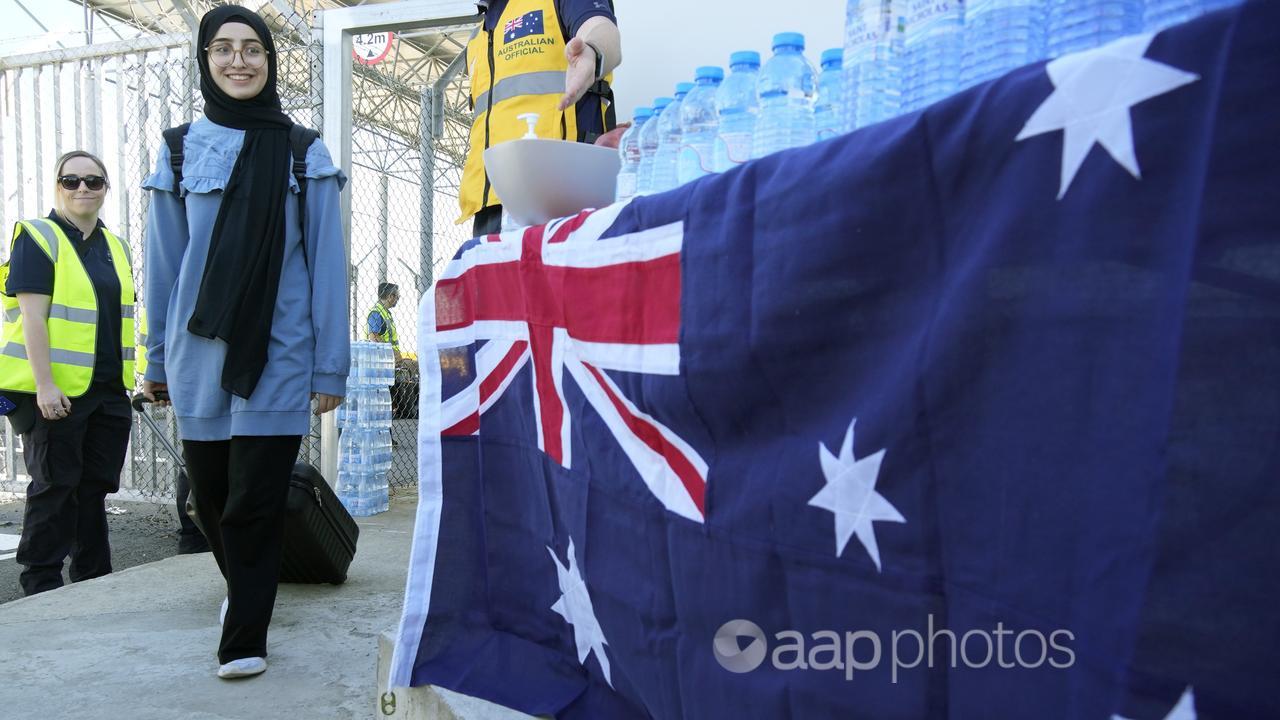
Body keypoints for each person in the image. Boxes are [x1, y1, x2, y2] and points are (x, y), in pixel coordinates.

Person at [140, 6, 349, 680]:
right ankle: (248, 592)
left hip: (278, 356)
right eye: (223, 49)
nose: (239, 61)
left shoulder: (301, 148)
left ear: (270, 61)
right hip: (197, 357)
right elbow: (165, 268)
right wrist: (155, 360)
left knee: (255, 501)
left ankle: (244, 637)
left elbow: (324, 265)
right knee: (211, 502)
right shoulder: (177, 149)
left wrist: (329, 368)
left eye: (253, 49)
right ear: (204, 60)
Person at [0, 151, 135, 597]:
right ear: (57, 185)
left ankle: (93, 579)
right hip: (55, 391)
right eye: (71, 180)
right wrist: (44, 385)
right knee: (56, 486)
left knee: (94, 487)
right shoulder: (38, 237)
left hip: (107, 389)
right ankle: (40, 584)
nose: (83, 189)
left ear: (105, 189)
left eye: (94, 181)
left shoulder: (114, 246)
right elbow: (33, 318)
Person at [462, 0, 623, 236]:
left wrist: (592, 52)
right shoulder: (477, 39)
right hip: (492, 209)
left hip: (560, 196)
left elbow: (601, 29)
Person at [366, 282, 402, 363]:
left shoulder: (385, 312)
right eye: (397, 297)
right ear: (390, 296)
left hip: (388, 360)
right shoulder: (376, 313)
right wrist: (392, 353)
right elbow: (374, 338)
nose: (398, 299)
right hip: (381, 362)